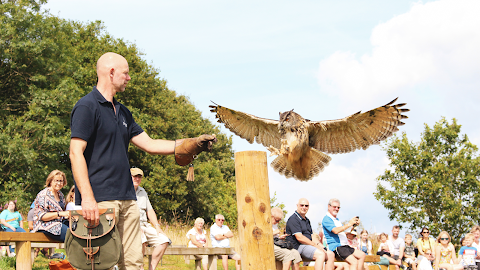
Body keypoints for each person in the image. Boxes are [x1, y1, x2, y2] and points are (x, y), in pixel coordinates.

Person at [69, 52, 216, 270]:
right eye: (125, 73)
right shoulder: (86, 106)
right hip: (100, 201)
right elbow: (75, 152)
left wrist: (190, 143)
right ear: (111, 73)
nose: (129, 78)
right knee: (100, 265)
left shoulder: (123, 112)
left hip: (128, 200)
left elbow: (150, 144)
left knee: (132, 263)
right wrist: (88, 198)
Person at [131, 167, 170, 270]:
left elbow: (150, 211)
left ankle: (151, 268)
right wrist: (135, 226)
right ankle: (140, 267)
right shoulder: (124, 190)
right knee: (142, 239)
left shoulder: (142, 191)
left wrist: (157, 226)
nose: (137, 179)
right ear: (129, 177)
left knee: (164, 240)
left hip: (145, 225)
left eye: (139, 177)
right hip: (131, 225)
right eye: (135, 176)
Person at [287, 198, 334, 270]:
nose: (304, 207)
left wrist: (321, 246)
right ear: (297, 206)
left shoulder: (307, 220)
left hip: (307, 246)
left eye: (306, 206)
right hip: (297, 246)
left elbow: (311, 236)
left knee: (330, 254)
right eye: (302, 205)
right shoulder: (293, 219)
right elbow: (300, 237)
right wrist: (315, 246)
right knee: (320, 254)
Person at [322, 198, 365, 270]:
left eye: (338, 207)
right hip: (337, 247)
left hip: (344, 246)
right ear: (329, 206)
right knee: (354, 262)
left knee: (362, 255)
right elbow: (335, 231)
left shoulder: (336, 220)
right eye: (334, 207)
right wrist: (349, 224)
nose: (336, 209)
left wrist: (353, 226)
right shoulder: (327, 219)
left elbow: (342, 232)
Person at [32, 170, 70, 242]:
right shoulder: (44, 195)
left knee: (77, 231)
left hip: (59, 223)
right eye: (56, 181)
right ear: (50, 181)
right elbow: (41, 216)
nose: (59, 183)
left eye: (61, 181)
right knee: (70, 235)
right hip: (44, 225)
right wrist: (59, 214)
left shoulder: (60, 195)